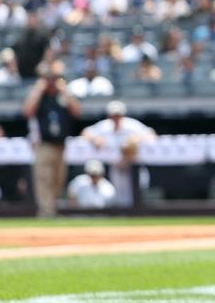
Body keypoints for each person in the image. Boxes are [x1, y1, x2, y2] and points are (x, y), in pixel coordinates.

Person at [21, 61, 83, 218]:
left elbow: (77, 112)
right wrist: (39, 88)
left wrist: (64, 90)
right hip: (44, 144)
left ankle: (52, 209)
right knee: (44, 179)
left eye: (54, 78)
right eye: (49, 78)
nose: (51, 81)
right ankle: (46, 212)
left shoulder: (61, 95)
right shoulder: (40, 96)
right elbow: (27, 111)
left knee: (58, 180)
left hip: (61, 145)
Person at [80, 100, 156, 208]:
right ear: (109, 116)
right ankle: (124, 221)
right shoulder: (105, 126)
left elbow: (151, 133)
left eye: (118, 115)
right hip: (117, 167)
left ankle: (137, 218)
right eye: (113, 116)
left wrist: (137, 139)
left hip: (134, 166)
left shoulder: (131, 125)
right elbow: (85, 132)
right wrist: (94, 138)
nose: (116, 118)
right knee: (120, 198)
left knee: (136, 195)